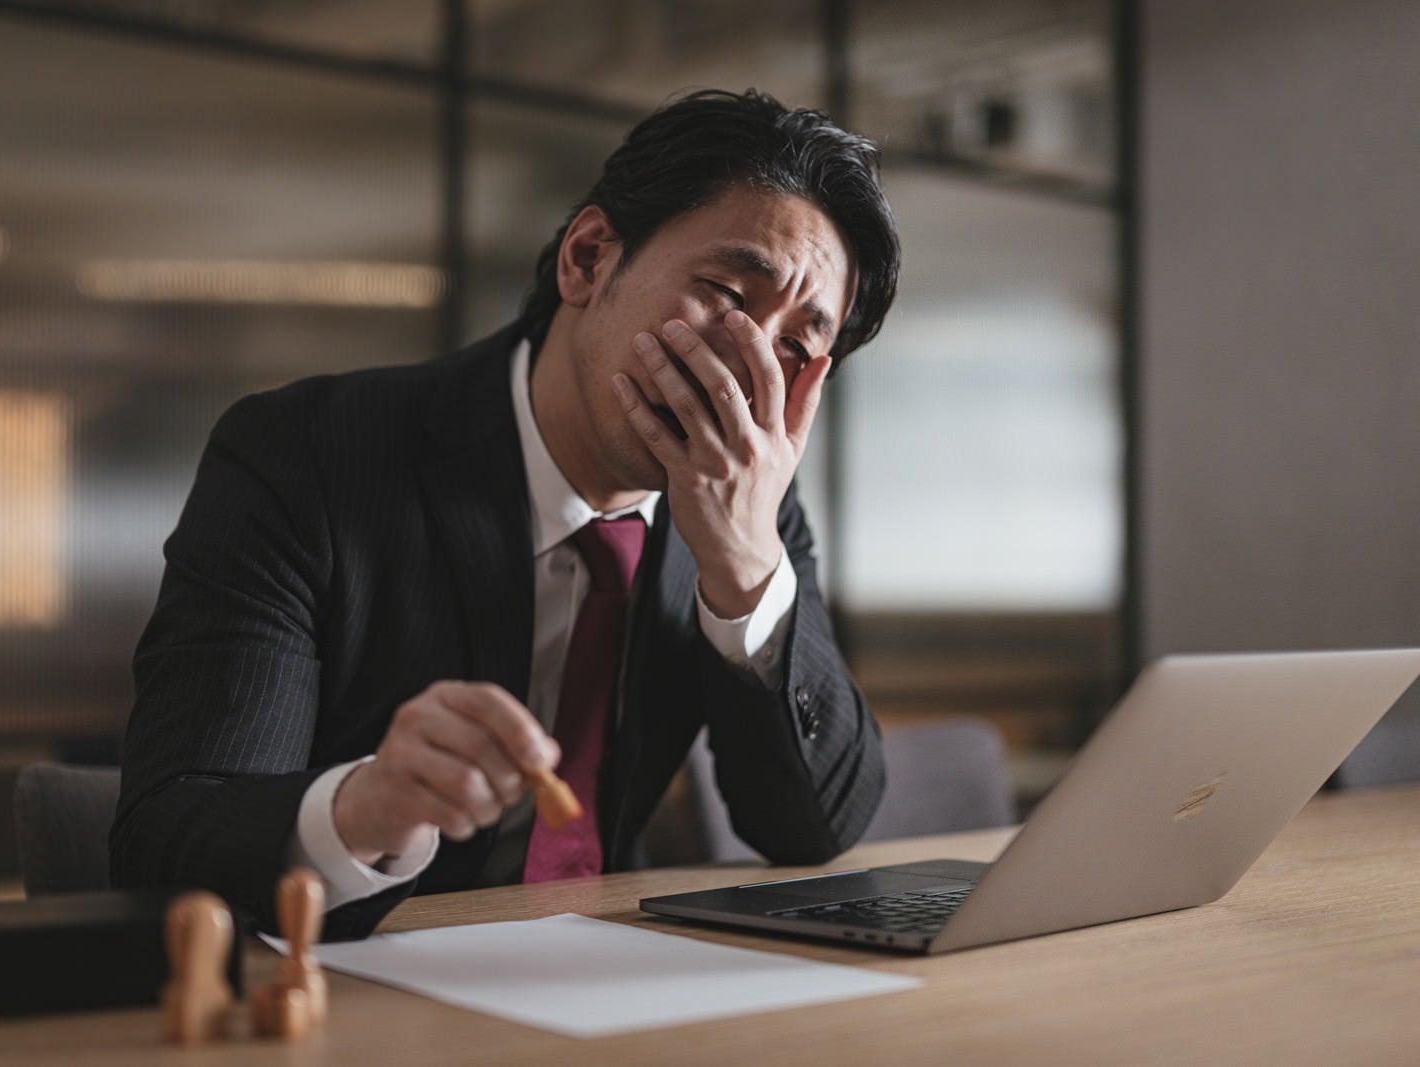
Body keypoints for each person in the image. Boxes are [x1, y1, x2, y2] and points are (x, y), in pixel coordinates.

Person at [111, 88, 902, 941]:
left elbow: (814, 828)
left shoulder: (754, 507)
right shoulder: (304, 455)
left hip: (608, 982)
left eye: (795, 344)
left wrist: (745, 564)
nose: (748, 369)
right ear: (589, 258)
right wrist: (362, 810)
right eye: (724, 292)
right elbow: (166, 836)